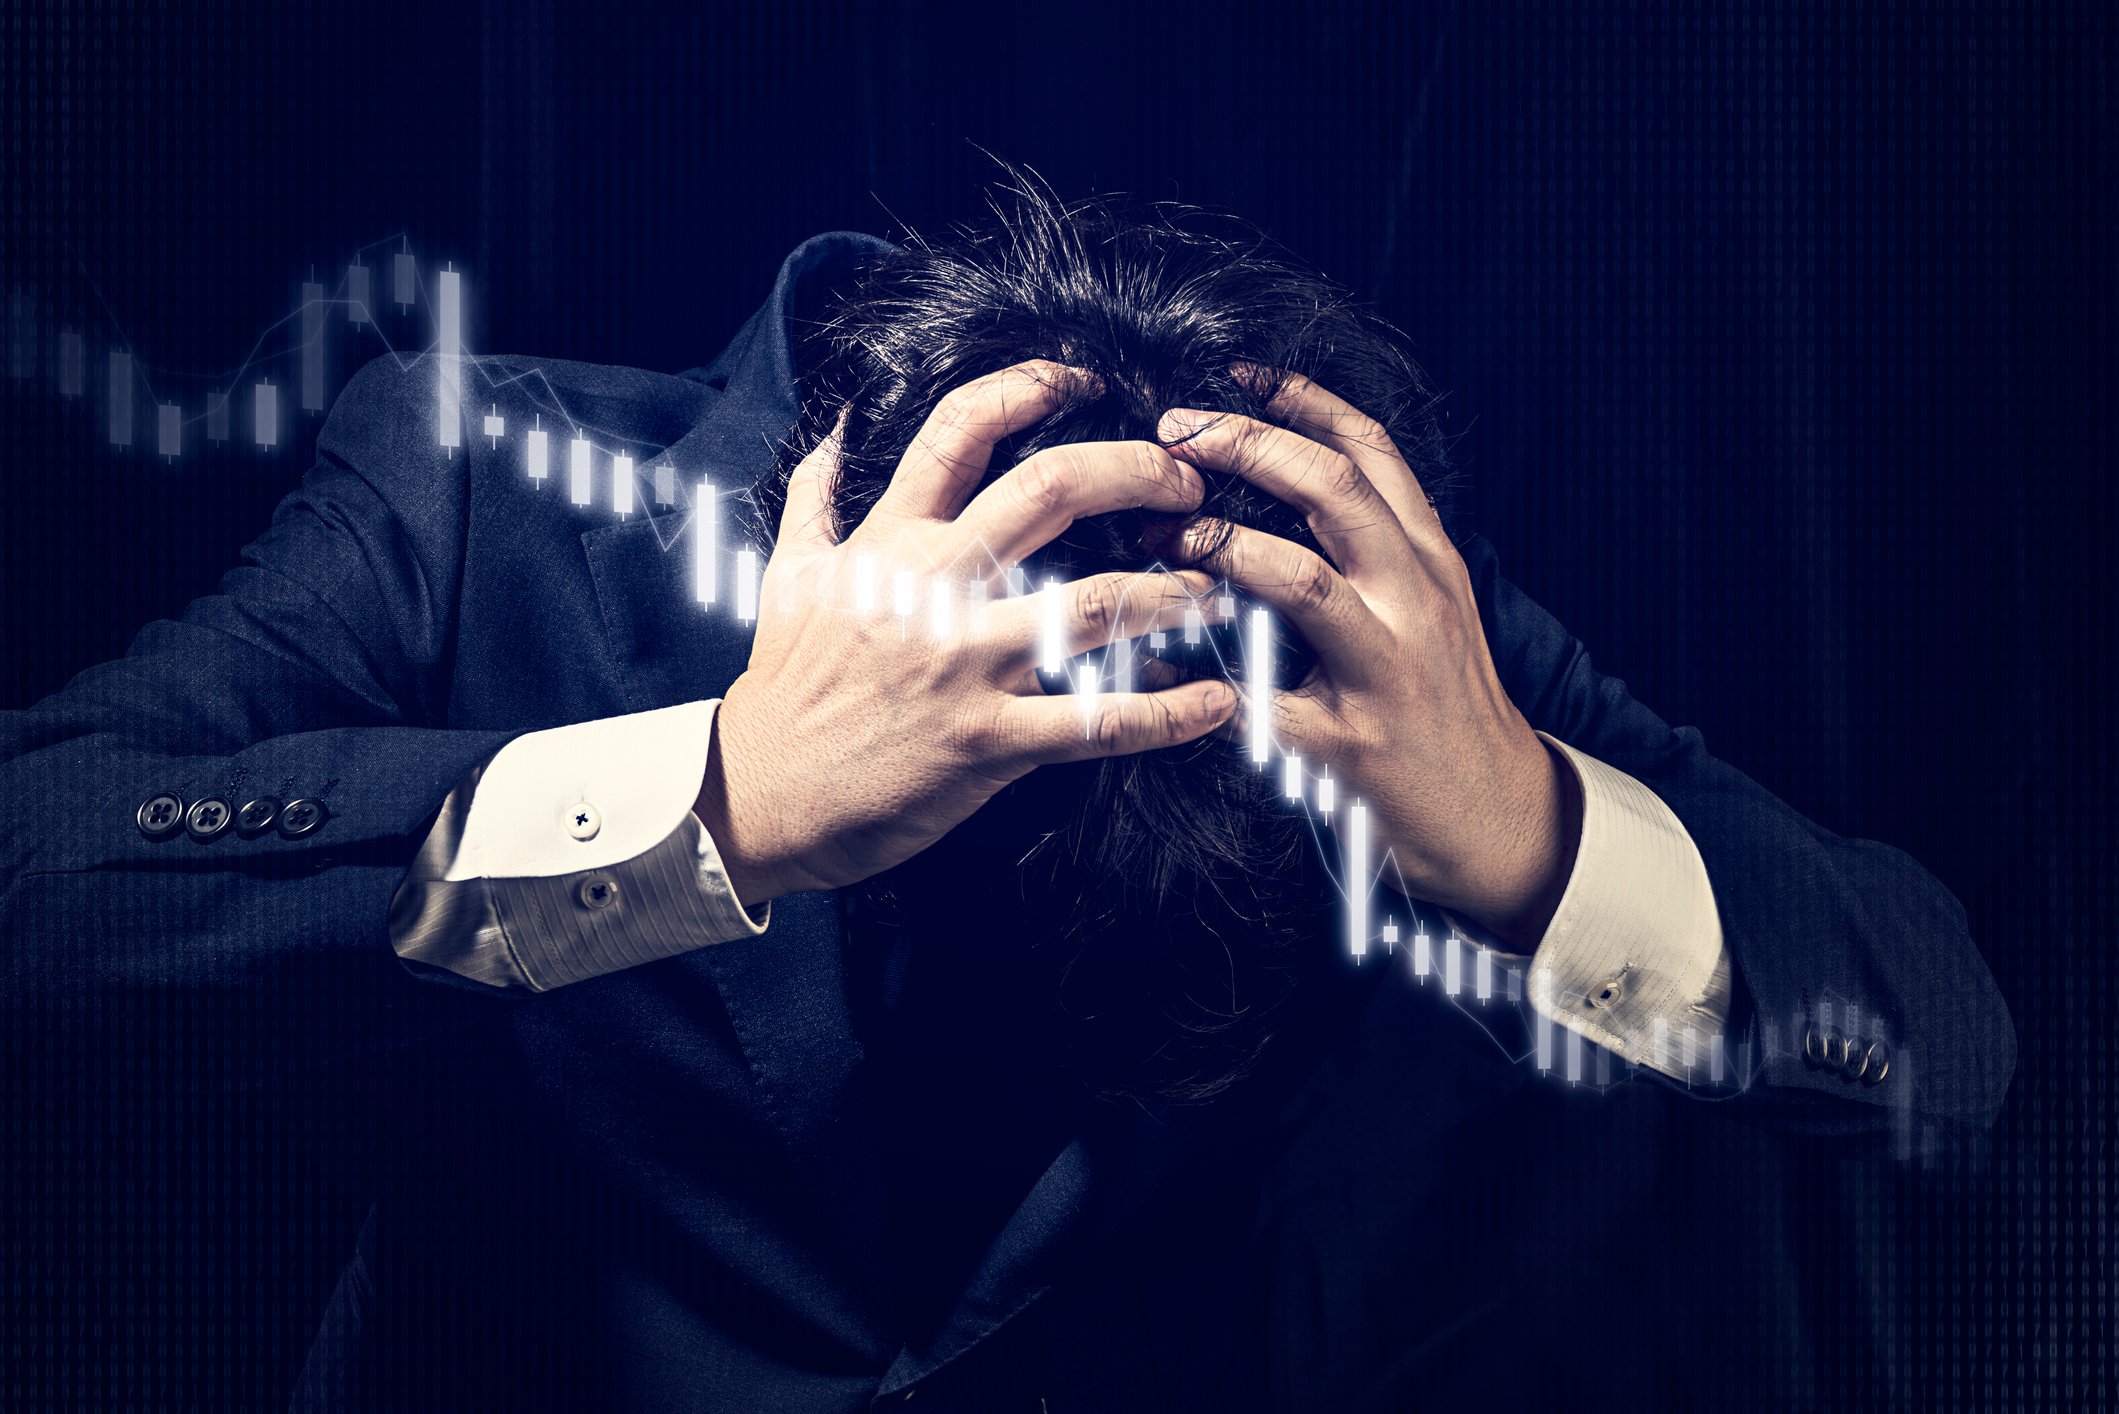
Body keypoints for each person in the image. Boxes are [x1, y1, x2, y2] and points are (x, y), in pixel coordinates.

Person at [0, 181, 2013, 1412]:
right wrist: (708, 798)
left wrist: (1536, 830)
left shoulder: (1351, 608)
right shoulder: (479, 493)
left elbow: (1943, 1035)